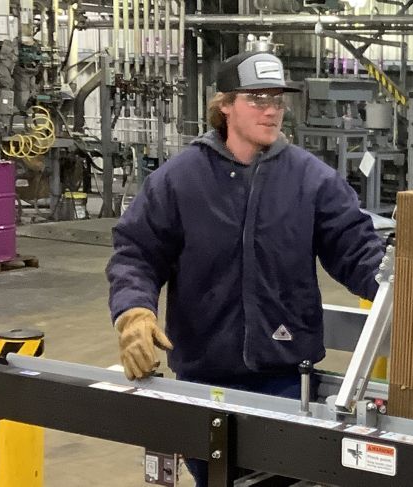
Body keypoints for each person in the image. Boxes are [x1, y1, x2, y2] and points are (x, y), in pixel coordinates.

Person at [106, 51, 385, 486]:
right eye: (257, 99)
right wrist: (133, 311)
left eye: (278, 99)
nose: (272, 109)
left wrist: (403, 284)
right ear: (225, 105)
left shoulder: (312, 180)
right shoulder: (180, 179)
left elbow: (356, 250)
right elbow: (136, 252)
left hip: (287, 379)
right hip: (203, 378)